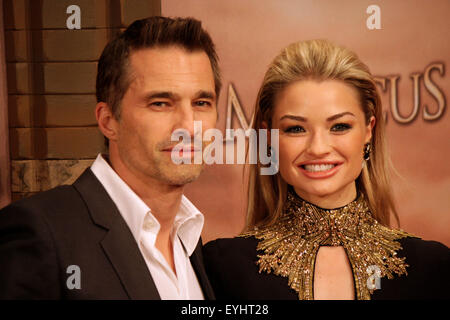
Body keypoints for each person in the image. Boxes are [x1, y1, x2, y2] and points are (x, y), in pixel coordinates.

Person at [203, 39, 450, 300]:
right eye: (295, 128)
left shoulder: (432, 267)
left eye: (339, 126)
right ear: (269, 137)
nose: (318, 148)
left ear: (369, 130)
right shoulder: (224, 267)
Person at [0, 16, 220, 299]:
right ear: (108, 121)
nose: (189, 127)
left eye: (201, 103)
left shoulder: (189, 239)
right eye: (160, 104)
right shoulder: (41, 233)